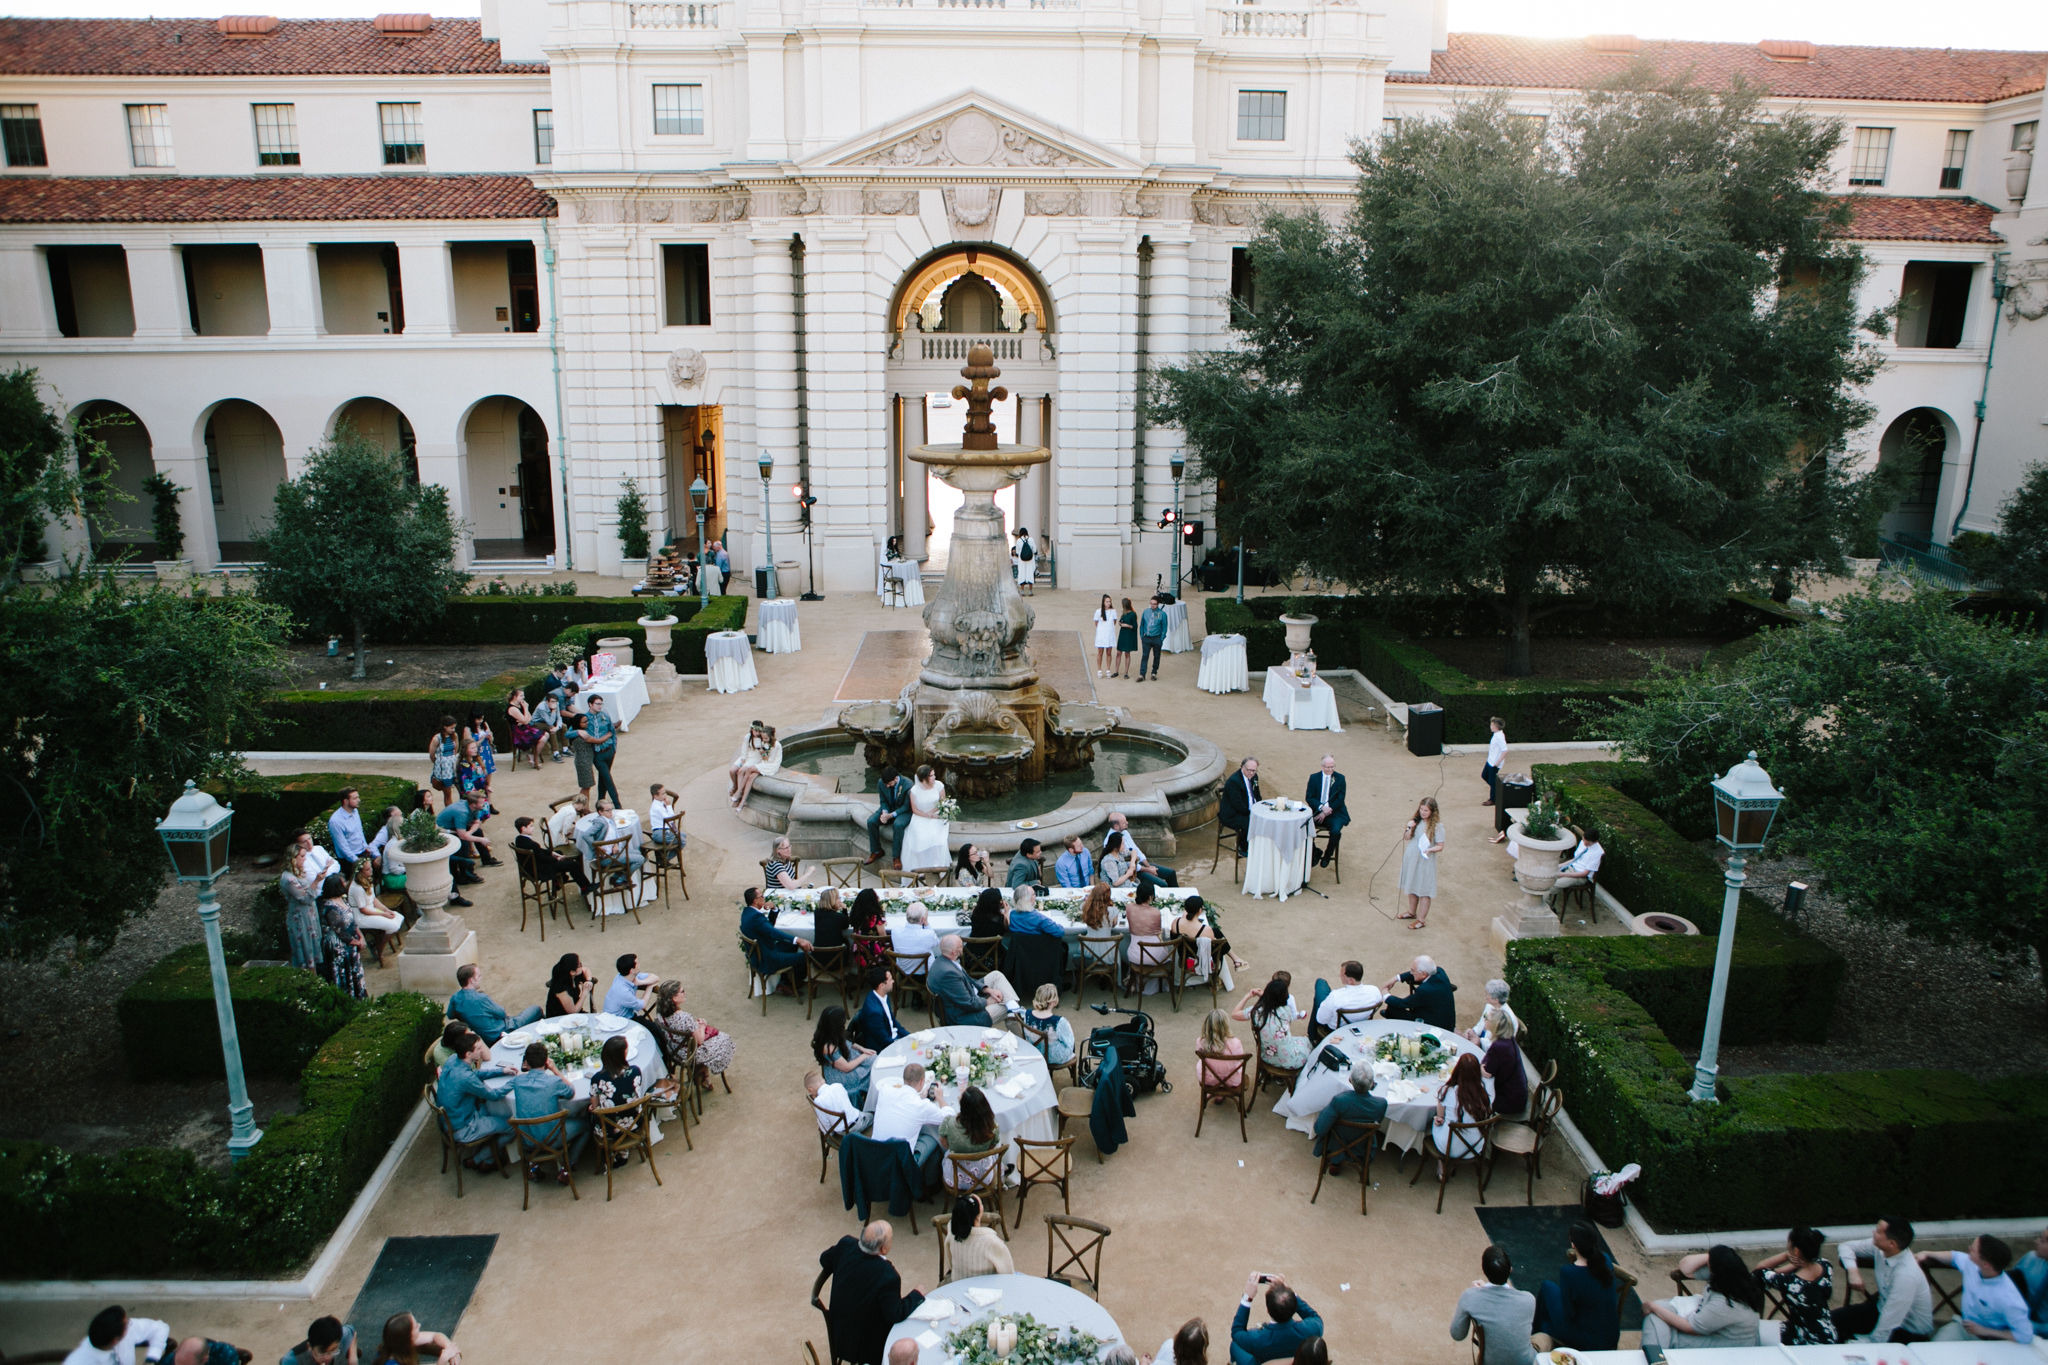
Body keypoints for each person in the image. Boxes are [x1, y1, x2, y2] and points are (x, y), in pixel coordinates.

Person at [812, 1222, 925, 1365]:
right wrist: (917, 1294)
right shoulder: (888, 1276)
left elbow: (824, 1259)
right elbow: (894, 1314)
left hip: (838, 1328)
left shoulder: (846, 1243)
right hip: (864, 1346)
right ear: (884, 1249)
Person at [1641, 1245, 1764, 1350]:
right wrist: (1714, 1255)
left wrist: (1653, 1306)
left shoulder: (1726, 1302)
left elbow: (1691, 1328)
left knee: (1656, 1322)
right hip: (1711, 1322)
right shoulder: (1730, 1276)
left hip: (1728, 1344)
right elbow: (1686, 1268)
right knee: (1657, 1317)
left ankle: (1653, 1359)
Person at [1833, 1217, 1934, 1344]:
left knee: (1854, 1344)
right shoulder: (1881, 1247)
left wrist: (1867, 1345)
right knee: (1831, 1321)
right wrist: (1853, 1272)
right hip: (1881, 1310)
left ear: (1892, 1243)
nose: (1873, 1232)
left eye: (1878, 1231)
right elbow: (1845, 1246)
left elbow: (1889, 1321)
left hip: (1908, 1332)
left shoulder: (1906, 1275)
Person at [1921, 1236, 2034, 1343]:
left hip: (1991, 1341)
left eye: (1973, 1249)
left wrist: (1985, 1331)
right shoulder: (1973, 1264)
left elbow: (2025, 1336)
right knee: (1935, 1348)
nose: (1969, 1248)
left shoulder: (2009, 1299)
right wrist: (1927, 1253)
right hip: (1963, 1328)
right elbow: (1954, 1256)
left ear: (1985, 1264)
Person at [1530, 1221, 1621, 1352]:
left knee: (1546, 1289)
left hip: (1588, 1340)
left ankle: (1538, 1337)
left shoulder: (1569, 1272)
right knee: (1548, 1289)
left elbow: (1570, 1314)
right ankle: (1540, 1331)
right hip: (1611, 1335)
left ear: (1573, 1244)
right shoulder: (1605, 1259)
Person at [510, 1041, 589, 1184]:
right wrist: (556, 1071)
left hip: (526, 1140)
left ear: (526, 1062)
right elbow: (571, 1092)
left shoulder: (517, 1081)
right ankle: (567, 1168)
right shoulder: (553, 1082)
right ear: (546, 1062)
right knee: (587, 1122)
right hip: (552, 1140)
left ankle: (533, 1166)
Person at [435, 1031, 514, 1165]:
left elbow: (475, 1074)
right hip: (464, 1127)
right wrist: (514, 1082)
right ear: (468, 1054)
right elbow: (493, 1095)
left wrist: (501, 1071)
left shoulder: (453, 1059)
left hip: (455, 1118)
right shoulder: (466, 1078)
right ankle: (480, 1159)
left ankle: (489, 1156)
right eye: (478, 1049)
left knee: (497, 1112)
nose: (482, 1050)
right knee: (513, 1126)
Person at [1749, 1227, 1839, 1345]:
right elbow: (1781, 1271)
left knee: (1755, 1333)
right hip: (1829, 1334)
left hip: (1806, 1339)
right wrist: (1794, 1264)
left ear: (1796, 1251)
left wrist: (1786, 1256)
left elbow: (1758, 1270)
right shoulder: (1826, 1266)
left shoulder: (1790, 1283)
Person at [1451, 1245, 1537, 1365]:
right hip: (1525, 1362)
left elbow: (1457, 1334)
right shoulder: (1529, 1299)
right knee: (1544, 1338)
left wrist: (1483, 1289)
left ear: (1484, 1271)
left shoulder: (1470, 1296)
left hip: (1489, 1362)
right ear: (1510, 1269)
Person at [872, 1061, 950, 1184]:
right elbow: (948, 1117)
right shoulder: (921, 1106)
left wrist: (919, 1097)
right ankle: (929, 1184)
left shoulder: (885, 1090)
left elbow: (903, 1103)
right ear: (922, 1081)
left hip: (875, 1156)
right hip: (901, 1165)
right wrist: (940, 1098)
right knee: (934, 1138)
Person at [652, 978, 733, 1085]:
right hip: (688, 1054)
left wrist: (695, 1026)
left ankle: (703, 1073)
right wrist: (702, 1026)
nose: (684, 992)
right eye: (682, 991)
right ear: (675, 998)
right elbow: (700, 1040)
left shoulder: (660, 1011)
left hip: (672, 1050)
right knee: (725, 1038)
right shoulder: (685, 1017)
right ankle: (703, 1073)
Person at [1230, 1273, 1323, 1365]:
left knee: (1235, 1345)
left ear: (1268, 1311)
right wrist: (1288, 1292)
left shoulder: (1256, 1339)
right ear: (1295, 1307)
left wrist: (1247, 1297)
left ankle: (1232, 1362)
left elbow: (1236, 1332)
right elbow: (1313, 1316)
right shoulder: (1313, 1329)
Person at [1313, 1061, 1388, 1171]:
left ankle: (1335, 1162)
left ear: (1350, 1080)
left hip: (1336, 1146)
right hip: (1362, 1148)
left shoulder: (1339, 1100)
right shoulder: (1381, 1104)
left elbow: (1320, 1129)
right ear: (1372, 1084)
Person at [929, 934, 1018, 1026]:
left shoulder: (941, 961)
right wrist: (988, 1001)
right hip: (963, 1017)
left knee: (996, 975)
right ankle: (1016, 1013)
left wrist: (987, 990)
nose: (963, 947)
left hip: (967, 996)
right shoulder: (949, 974)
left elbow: (968, 979)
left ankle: (1013, 1007)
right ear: (954, 952)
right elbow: (968, 1003)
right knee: (1007, 1007)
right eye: (961, 946)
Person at [1430, 1052, 1493, 1173]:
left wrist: (1440, 1121)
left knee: (1433, 1122)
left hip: (1448, 1148)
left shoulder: (1447, 1091)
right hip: (1476, 1147)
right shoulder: (1483, 1094)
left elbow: (1440, 1116)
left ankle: (1441, 1164)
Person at [448, 963, 541, 1044]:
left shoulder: (455, 998)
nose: (481, 978)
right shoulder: (481, 998)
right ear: (472, 980)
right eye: (479, 976)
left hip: (485, 1037)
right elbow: (502, 1013)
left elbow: (450, 1015)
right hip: (503, 1031)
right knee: (536, 1009)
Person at [741, 886, 811, 991]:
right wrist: (798, 939)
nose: (764, 898)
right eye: (762, 896)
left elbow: (768, 928)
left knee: (792, 945)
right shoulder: (757, 919)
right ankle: (791, 985)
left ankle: (785, 978)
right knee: (807, 956)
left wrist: (774, 909)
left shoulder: (747, 912)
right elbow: (774, 933)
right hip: (768, 958)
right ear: (756, 901)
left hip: (763, 950)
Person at [1234, 974, 1308, 1071]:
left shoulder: (1256, 1011)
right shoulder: (1287, 1011)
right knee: (1306, 1039)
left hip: (1266, 1057)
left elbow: (1234, 1014)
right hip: (1290, 1059)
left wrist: (1247, 996)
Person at [513, 816, 592, 897]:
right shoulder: (532, 845)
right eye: (531, 826)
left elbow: (539, 851)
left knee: (559, 852)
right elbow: (543, 858)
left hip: (529, 868)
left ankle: (558, 882)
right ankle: (584, 887)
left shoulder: (519, 839)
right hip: (540, 870)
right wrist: (557, 859)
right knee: (572, 864)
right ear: (524, 828)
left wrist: (552, 853)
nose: (533, 828)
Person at [938, 1085, 1002, 1184]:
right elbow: (991, 1148)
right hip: (984, 1178)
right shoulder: (992, 1126)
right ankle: (1002, 1169)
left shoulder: (949, 1123)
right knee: (993, 1156)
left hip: (955, 1180)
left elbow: (944, 1143)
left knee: (948, 1154)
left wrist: (958, 1151)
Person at [813, 1004, 876, 1104]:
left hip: (848, 1060)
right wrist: (863, 1056)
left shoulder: (834, 1032)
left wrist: (862, 1049)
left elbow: (849, 1042)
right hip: (841, 1074)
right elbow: (846, 1068)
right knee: (873, 1069)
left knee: (874, 1061)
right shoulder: (828, 1047)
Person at [318, 874, 368, 1000]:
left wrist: (361, 937)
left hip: (352, 942)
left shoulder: (342, 899)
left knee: (355, 971)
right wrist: (358, 943)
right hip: (338, 946)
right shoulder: (330, 907)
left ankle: (360, 997)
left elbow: (352, 921)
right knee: (344, 974)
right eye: (343, 882)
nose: (345, 883)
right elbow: (340, 932)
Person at [65, 1306, 170, 1365]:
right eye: (126, 1324)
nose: (130, 1323)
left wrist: (151, 1359)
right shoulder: (79, 1361)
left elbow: (160, 1327)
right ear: (114, 1341)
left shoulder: (126, 1329)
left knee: (186, 1348)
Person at [1398, 795, 1444, 927]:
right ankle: (1412, 912)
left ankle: (1422, 920)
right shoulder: (1416, 821)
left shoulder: (1437, 827)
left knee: (1424, 889)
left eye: (1426, 811)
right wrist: (1410, 828)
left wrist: (1430, 850)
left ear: (1432, 812)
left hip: (1425, 859)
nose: (1423, 813)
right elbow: (1406, 838)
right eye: (1421, 809)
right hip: (1412, 856)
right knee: (1411, 883)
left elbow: (1440, 846)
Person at [589, 1034, 642, 1146]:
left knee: (587, 1112)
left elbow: (595, 1108)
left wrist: (592, 1108)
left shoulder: (597, 1079)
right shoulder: (635, 1071)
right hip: (635, 1123)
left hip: (609, 1130)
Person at [434, 794, 491, 900]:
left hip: (457, 829)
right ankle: (467, 873)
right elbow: (462, 836)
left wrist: (469, 833)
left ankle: (487, 859)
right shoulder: (461, 812)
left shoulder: (475, 807)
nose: (484, 804)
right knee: (463, 844)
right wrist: (481, 839)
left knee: (477, 831)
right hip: (445, 831)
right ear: (473, 804)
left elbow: (477, 822)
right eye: (482, 803)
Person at [947, 1192, 1014, 1278]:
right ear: (978, 1216)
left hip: (958, 1283)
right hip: (987, 1289)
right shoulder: (992, 1241)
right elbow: (1008, 1274)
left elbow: (949, 1262)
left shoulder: (951, 1229)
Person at [1311, 960, 1382, 1041]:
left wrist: (1325, 1004)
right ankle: (1311, 1036)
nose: (1339, 976)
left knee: (1320, 983)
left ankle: (1312, 1037)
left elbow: (1321, 1020)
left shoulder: (1335, 996)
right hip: (1361, 1025)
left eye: (1342, 975)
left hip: (1335, 1030)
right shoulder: (1374, 991)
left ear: (1351, 980)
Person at [1381, 955, 1457, 1030]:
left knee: (1393, 1008)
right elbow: (1413, 974)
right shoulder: (1440, 971)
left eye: (1413, 970)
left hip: (1436, 1027)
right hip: (1444, 1019)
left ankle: (1390, 1016)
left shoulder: (1425, 990)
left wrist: (1386, 995)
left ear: (1424, 974)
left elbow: (1403, 1003)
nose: (1411, 973)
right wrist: (1396, 978)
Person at [1104, 811, 1178, 888]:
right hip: (1131, 873)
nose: (1127, 823)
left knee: (1171, 873)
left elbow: (1135, 850)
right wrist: (1148, 870)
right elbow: (1125, 864)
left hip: (1138, 864)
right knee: (1163, 884)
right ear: (1116, 826)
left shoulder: (1125, 833)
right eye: (1124, 822)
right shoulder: (1110, 842)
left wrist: (1148, 866)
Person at [280, 839, 323, 971]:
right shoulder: (288, 879)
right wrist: (316, 881)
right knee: (306, 952)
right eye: (302, 856)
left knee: (314, 947)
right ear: (293, 858)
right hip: (301, 919)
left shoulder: (298, 872)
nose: (305, 859)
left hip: (309, 915)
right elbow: (304, 897)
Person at [900, 765, 950, 872]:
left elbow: (942, 802)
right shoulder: (914, 790)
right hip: (920, 816)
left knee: (936, 837)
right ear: (924, 778)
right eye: (931, 776)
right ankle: (920, 867)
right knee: (919, 837)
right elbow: (915, 809)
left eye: (934, 775)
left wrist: (932, 814)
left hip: (936, 815)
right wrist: (926, 815)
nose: (934, 777)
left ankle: (937, 865)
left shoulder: (939, 785)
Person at [852, 966, 912, 1051]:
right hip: (884, 1047)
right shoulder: (874, 1012)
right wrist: (904, 1044)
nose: (893, 981)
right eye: (890, 980)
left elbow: (893, 1022)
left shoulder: (881, 995)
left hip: (892, 1037)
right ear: (882, 985)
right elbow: (884, 1041)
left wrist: (909, 1036)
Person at [1305, 756, 1348, 868]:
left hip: (1334, 813)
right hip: (1317, 812)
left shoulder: (1340, 778)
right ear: (1322, 766)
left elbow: (1340, 799)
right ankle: (1315, 851)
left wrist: (1326, 812)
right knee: (1303, 827)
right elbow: (1309, 797)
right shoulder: (1314, 778)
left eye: (1332, 767)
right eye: (1327, 767)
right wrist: (1321, 808)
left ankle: (1328, 854)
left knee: (1335, 831)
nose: (1330, 770)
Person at [368, 1312, 459, 1365]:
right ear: (408, 1337)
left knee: (439, 1348)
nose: (419, 1325)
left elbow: (435, 1335)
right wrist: (441, 1361)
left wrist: (450, 1349)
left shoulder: (395, 1343)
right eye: (415, 1327)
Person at [867, 766, 913, 869]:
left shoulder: (908, 785)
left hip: (904, 811)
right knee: (871, 821)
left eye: (889, 783)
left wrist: (891, 815)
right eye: (885, 784)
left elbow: (906, 807)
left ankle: (896, 857)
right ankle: (876, 850)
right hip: (889, 808)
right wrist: (884, 812)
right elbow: (883, 800)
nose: (887, 786)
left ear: (896, 778)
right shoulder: (881, 782)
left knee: (898, 825)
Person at [730, 721, 783, 809]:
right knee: (742, 773)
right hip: (757, 759)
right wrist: (743, 760)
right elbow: (745, 749)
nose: (758, 734)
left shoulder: (774, 744)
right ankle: (741, 797)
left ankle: (739, 793)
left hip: (765, 762)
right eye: (755, 731)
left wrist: (763, 754)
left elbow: (770, 759)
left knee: (746, 770)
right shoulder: (751, 738)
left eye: (765, 738)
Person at [1022, 984, 1075, 1065]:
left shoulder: (1027, 1014)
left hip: (1034, 1049)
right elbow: (1070, 1043)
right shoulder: (1059, 1021)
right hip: (1053, 1057)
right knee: (1070, 1044)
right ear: (1053, 1002)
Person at [1219, 757, 1261, 857]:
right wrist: (1252, 814)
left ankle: (1256, 843)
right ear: (1242, 767)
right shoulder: (1234, 781)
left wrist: (1260, 807)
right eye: (1249, 770)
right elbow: (1238, 805)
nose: (1251, 773)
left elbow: (1257, 794)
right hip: (1232, 814)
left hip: (1248, 809)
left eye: (1254, 770)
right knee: (1249, 823)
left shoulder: (1254, 777)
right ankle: (1242, 847)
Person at [807, 1067, 868, 1136]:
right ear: (823, 1081)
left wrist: (830, 1133)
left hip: (842, 1131)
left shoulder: (818, 1101)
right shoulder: (838, 1086)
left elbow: (824, 1122)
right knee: (872, 1114)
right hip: (857, 1122)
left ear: (810, 1090)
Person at [1481, 1034, 1528, 1119]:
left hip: (1510, 1102)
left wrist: (1480, 1067)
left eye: (1487, 1020)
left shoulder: (1499, 1046)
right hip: (1519, 1097)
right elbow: (1487, 1059)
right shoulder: (1510, 1040)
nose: (1485, 1022)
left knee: (1475, 1098)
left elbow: (1487, 1071)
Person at [1199, 1008, 1247, 1090]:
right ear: (1225, 1025)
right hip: (1232, 1080)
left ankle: (1216, 1094)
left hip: (1208, 1079)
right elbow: (1239, 1060)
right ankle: (1220, 1094)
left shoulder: (1201, 1042)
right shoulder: (1235, 1043)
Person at [1548, 832, 1603, 903]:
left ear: (1596, 842)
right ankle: (1548, 905)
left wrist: (1563, 874)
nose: (1584, 844)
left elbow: (1584, 874)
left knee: (1552, 884)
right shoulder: (1583, 842)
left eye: (1587, 843)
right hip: (1571, 868)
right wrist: (1559, 865)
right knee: (1546, 876)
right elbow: (1575, 859)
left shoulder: (1597, 853)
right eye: (1583, 841)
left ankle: (1545, 906)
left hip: (1580, 877)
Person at [891, 901, 941, 979]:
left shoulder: (895, 931)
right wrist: (926, 923)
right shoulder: (928, 934)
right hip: (924, 973)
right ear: (922, 919)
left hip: (903, 972)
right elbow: (936, 943)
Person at [279, 1315, 355, 1365]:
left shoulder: (342, 1335)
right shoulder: (291, 1360)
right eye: (322, 1352)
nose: (328, 1357)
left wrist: (352, 1357)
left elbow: (352, 1332)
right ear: (309, 1346)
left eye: (333, 1350)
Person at [1466, 980, 1521, 1046]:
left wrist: (1479, 1041)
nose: (1485, 995)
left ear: (1496, 1000)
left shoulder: (1507, 1019)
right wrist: (1472, 1032)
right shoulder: (1489, 1005)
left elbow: (1499, 1046)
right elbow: (1480, 1024)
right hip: (1479, 1041)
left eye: (1487, 993)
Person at [506, 687, 549, 769]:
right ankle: (535, 758)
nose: (523, 698)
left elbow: (529, 718)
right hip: (519, 734)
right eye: (521, 696)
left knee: (546, 734)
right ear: (515, 697)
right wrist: (525, 710)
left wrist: (524, 719)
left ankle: (533, 755)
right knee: (543, 738)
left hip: (525, 729)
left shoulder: (520, 705)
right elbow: (526, 720)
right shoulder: (512, 708)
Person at [2017, 1226, 2048, 1338]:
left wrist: (2033, 1327)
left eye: (2042, 1240)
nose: (2036, 1242)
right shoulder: (2030, 1259)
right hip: (2018, 1329)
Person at [604, 951, 656, 1017]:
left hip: (625, 1014)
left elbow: (655, 977)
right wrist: (649, 987)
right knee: (653, 1027)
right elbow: (642, 1005)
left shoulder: (623, 976)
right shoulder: (623, 991)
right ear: (632, 970)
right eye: (637, 963)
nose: (640, 964)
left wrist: (640, 982)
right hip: (619, 1020)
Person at [849, 887, 890, 970]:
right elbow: (883, 938)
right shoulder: (875, 918)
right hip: (875, 955)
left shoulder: (855, 915)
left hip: (859, 954)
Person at [327, 787, 367, 871]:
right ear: (346, 801)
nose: (358, 800)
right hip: (349, 860)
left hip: (362, 852)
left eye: (358, 797)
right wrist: (356, 861)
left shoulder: (355, 811)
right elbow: (342, 846)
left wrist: (365, 847)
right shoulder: (336, 821)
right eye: (355, 798)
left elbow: (359, 831)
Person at [427, 715, 461, 807]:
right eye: (451, 728)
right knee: (447, 793)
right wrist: (439, 763)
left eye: (454, 727)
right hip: (444, 769)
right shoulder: (437, 738)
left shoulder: (455, 736)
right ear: (444, 727)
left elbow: (456, 750)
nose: (453, 730)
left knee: (461, 788)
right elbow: (432, 754)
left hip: (453, 765)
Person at [564, 712, 597, 805]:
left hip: (583, 760)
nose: (587, 723)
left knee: (586, 786)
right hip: (584, 762)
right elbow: (598, 741)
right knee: (586, 787)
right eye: (584, 722)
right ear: (578, 723)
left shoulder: (576, 732)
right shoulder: (581, 735)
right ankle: (583, 807)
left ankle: (582, 806)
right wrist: (609, 734)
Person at [1137, 594, 1169, 681]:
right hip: (1146, 637)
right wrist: (1142, 636)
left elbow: (1164, 627)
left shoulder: (1162, 614)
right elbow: (1142, 624)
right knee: (1144, 656)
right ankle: (1142, 674)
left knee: (1157, 656)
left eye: (1154, 604)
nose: (1152, 605)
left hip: (1156, 638)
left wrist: (1161, 638)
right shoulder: (1146, 611)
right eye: (1151, 603)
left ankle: (1154, 672)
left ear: (1158, 604)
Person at [645, 783, 683, 850]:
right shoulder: (658, 807)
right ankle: (665, 859)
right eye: (663, 794)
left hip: (665, 830)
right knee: (682, 841)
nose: (665, 795)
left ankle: (665, 857)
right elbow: (670, 819)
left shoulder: (661, 802)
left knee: (683, 835)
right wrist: (668, 806)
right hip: (660, 833)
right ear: (655, 796)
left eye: (665, 793)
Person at [1481, 715, 1507, 808]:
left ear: (1496, 727)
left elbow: (1505, 750)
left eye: (1492, 725)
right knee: (1484, 776)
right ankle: (1496, 791)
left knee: (1492, 781)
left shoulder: (1500, 737)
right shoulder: (1496, 735)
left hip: (1494, 763)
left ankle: (1493, 799)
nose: (1490, 726)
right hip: (1490, 761)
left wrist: (1498, 762)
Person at [1092, 593, 1119, 677]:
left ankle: (1108, 669)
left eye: (1109, 602)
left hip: (1109, 635)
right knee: (1100, 653)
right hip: (1101, 635)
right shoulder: (1098, 611)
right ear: (1103, 602)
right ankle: (1099, 670)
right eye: (1107, 602)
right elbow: (1096, 623)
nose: (1108, 603)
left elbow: (1114, 622)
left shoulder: (1113, 611)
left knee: (1109, 653)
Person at [1115, 596, 1139, 678]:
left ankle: (1126, 672)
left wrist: (1127, 625)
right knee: (1118, 653)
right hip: (1123, 634)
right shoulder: (1124, 613)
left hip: (1128, 635)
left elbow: (1135, 626)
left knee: (1127, 654)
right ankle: (1116, 671)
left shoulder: (1132, 614)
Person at [1011, 526, 1036, 595]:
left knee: (1022, 574)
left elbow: (1017, 552)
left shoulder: (1019, 541)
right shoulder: (1031, 539)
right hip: (1030, 560)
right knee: (1030, 574)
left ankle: (1022, 591)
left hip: (1022, 560)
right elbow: (1034, 550)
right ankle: (1030, 591)